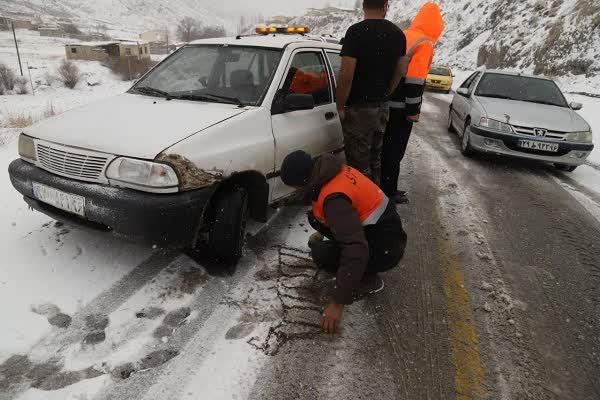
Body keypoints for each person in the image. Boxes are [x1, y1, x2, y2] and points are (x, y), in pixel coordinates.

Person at [280, 150, 407, 334]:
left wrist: (338, 303)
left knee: (321, 254)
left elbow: (355, 248)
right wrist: (322, 231)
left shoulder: (334, 199)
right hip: (382, 233)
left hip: (385, 247)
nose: (296, 190)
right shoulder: (330, 171)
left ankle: (368, 277)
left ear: (303, 180)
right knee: (315, 220)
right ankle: (362, 265)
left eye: (295, 186)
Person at [336, 0, 406, 185]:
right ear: (385, 6)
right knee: (375, 160)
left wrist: (340, 105)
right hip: (382, 107)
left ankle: (364, 207)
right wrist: (385, 93)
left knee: (358, 164)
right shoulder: (398, 34)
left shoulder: (355, 32)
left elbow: (346, 76)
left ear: (363, 6)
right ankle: (377, 202)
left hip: (360, 109)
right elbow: (400, 71)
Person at [381, 3, 444, 204]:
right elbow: (415, 80)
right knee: (395, 150)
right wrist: (413, 110)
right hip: (400, 108)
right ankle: (388, 192)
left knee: (382, 148)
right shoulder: (423, 43)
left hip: (384, 102)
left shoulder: (403, 34)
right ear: (435, 25)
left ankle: (381, 187)